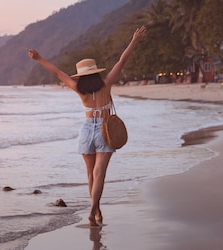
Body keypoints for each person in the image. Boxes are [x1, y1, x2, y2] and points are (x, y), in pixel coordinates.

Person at [27, 26, 147, 227]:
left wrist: (39, 58)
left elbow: (57, 72)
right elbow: (122, 61)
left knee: (90, 174)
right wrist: (134, 40)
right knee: (100, 173)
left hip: (86, 129)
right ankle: (93, 210)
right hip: (104, 129)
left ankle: (97, 211)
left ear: (81, 75)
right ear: (96, 72)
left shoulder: (77, 88)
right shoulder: (106, 83)